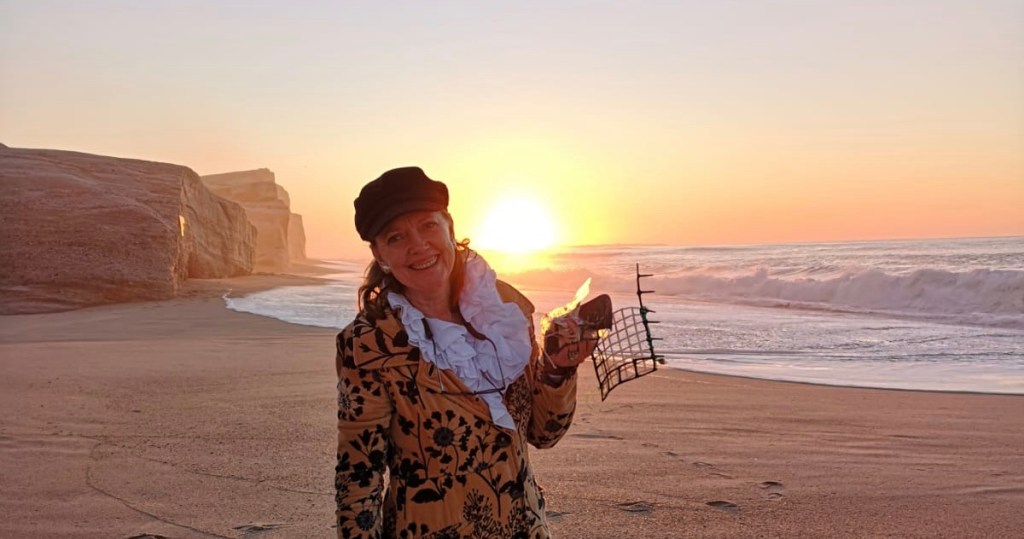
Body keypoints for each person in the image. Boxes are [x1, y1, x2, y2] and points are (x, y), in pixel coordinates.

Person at [335, 166, 592, 538]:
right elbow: (358, 473)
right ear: (380, 253)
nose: (418, 245)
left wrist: (558, 368)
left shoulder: (504, 309)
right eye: (396, 237)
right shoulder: (369, 344)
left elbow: (542, 433)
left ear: (449, 227)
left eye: (427, 226)